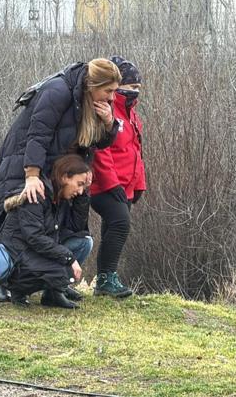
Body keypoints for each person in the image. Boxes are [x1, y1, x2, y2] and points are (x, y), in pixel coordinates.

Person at [0, 59, 121, 301]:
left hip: (58, 172)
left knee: (58, 227)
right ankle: (1, 279)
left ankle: (55, 286)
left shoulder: (89, 102)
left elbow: (96, 142)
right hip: (26, 163)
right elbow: (37, 134)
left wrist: (109, 124)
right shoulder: (58, 91)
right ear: (92, 84)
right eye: (108, 91)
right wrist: (32, 175)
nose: (112, 98)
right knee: (14, 224)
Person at [0, 154, 92, 309]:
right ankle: (15, 288)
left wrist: (84, 196)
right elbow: (34, 238)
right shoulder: (36, 194)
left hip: (35, 251)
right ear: (65, 177)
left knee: (84, 242)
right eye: (79, 184)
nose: (80, 191)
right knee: (63, 272)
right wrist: (69, 258)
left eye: (84, 187)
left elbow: (76, 227)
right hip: (18, 256)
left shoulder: (60, 197)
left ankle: (53, 295)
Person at [89, 56, 147, 298]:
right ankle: (105, 278)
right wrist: (112, 184)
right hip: (103, 185)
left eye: (138, 89)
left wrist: (139, 185)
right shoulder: (106, 111)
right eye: (132, 87)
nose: (135, 93)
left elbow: (135, 151)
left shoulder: (132, 116)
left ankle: (106, 279)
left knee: (113, 227)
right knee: (121, 224)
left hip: (126, 186)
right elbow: (101, 151)